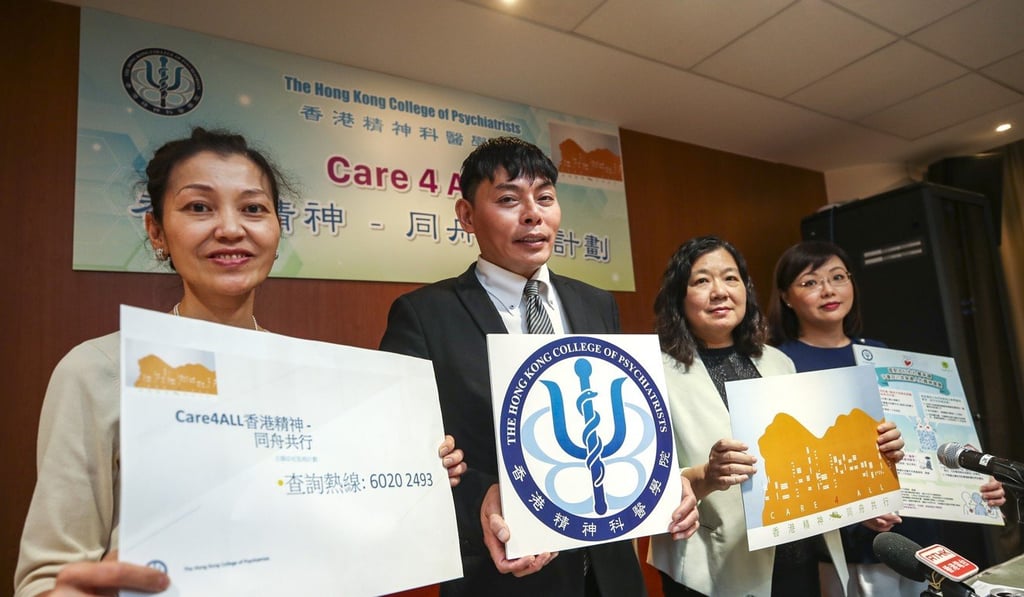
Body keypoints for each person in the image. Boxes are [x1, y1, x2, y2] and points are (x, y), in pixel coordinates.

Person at [14, 128, 466, 597]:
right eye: (198, 207)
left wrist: (414, 476)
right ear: (156, 232)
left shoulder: (314, 379)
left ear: (277, 229)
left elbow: (332, 526)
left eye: (253, 208)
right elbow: (43, 580)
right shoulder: (99, 370)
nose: (231, 228)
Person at [380, 136, 699, 597]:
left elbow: (620, 419)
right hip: (503, 574)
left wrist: (665, 481)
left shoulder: (596, 304)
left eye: (545, 198)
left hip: (612, 573)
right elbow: (403, 454)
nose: (533, 214)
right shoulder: (425, 315)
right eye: (509, 199)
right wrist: (479, 502)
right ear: (466, 215)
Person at [647, 236, 906, 597]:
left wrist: (860, 501)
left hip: (795, 560)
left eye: (731, 278)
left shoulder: (778, 361)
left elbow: (807, 460)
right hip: (712, 565)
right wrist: (706, 475)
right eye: (702, 280)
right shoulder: (653, 373)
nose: (720, 291)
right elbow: (643, 481)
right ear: (679, 296)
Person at [767, 239, 1006, 597]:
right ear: (786, 296)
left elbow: (922, 440)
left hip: (918, 540)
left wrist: (973, 485)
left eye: (838, 277)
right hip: (850, 550)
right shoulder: (780, 364)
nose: (828, 290)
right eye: (810, 282)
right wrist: (853, 512)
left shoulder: (878, 353)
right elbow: (790, 467)